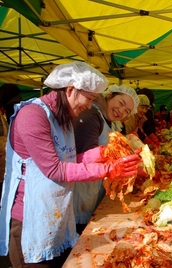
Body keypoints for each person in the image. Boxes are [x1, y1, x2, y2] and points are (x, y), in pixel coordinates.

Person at [0, 62, 142, 267]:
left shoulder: (63, 118)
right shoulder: (33, 115)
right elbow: (55, 169)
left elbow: (70, 161)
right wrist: (109, 169)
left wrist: (104, 153)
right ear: (70, 90)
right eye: (90, 98)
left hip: (55, 212)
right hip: (28, 218)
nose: (89, 105)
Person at [73, 84, 139, 234]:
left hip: (94, 187)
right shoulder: (91, 116)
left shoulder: (108, 120)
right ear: (109, 95)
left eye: (126, 111)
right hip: (81, 190)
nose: (121, 111)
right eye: (121, 103)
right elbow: (84, 158)